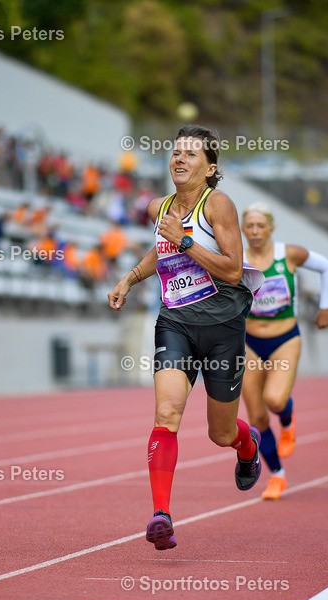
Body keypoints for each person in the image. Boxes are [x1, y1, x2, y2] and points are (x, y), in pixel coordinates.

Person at [108, 125, 265, 551]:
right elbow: (160, 251)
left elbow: (233, 269)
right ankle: (161, 515)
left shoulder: (218, 204)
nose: (179, 158)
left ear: (210, 168)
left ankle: (247, 445)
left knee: (221, 433)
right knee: (167, 413)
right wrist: (129, 278)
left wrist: (186, 240)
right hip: (175, 323)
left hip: (223, 329)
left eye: (191, 154)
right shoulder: (159, 207)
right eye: (176, 152)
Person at [240, 202, 328, 499]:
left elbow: (327, 267)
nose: (255, 231)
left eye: (261, 226)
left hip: (285, 339)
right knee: (256, 417)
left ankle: (287, 419)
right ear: (242, 229)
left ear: (271, 228)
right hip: (249, 342)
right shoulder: (236, 258)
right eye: (250, 226)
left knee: (275, 399)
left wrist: (325, 307)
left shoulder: (288, 254)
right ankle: (277, 475)